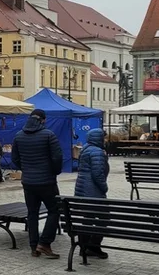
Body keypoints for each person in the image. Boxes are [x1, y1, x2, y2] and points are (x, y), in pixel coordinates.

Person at [11, 109, 62, 258]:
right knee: (54, 210)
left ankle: (34, 247)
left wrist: (26, 169)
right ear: (43, 120)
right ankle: (45, 243)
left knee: (32, 213)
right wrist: (54, 171)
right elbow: (57, 157)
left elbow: (15, 159)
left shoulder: (19, 136)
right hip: (47, 182)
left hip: (28, 182)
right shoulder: (48, 135)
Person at [74, 128, 109, 259]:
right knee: (104, 219)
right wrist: (104, 187)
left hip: (82, 190)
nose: (105, 140)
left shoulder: (85, 149)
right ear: (99, 138)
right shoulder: (97, 152)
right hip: (93, 192)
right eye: (103, 138)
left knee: (88, 219)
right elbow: (97, 174)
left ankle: (84, 247)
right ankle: (94, 246)